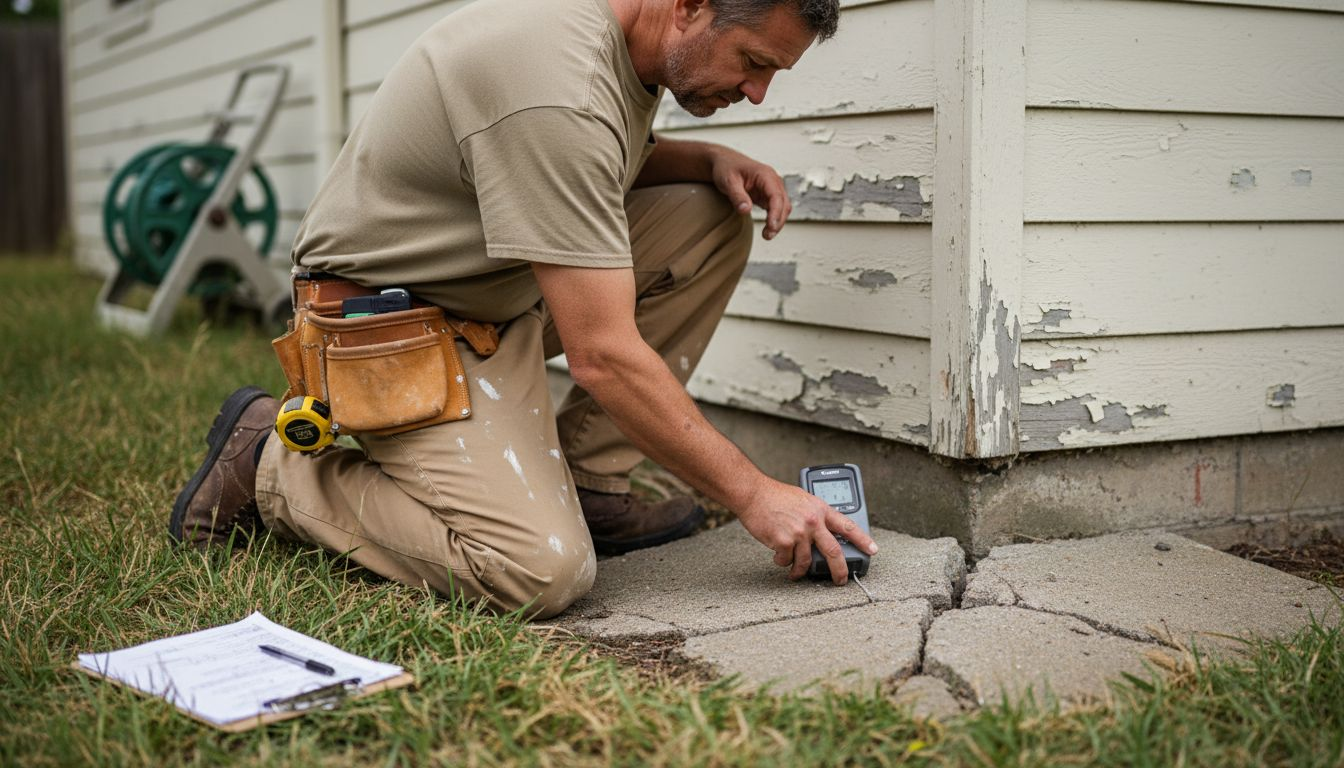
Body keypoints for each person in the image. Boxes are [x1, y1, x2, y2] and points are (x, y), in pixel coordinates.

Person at [169, 0, 877, 619]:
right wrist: (755, 494)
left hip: (489, 295)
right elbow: (600, 355)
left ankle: (589, 479)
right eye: (753, 62)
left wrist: (704, 159)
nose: (756, 92)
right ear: (690, 4)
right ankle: (267, 468)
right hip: (388, 333)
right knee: (537, 568)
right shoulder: (554, 84)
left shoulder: (617, 41)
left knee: (709, 217)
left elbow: (591, 158)